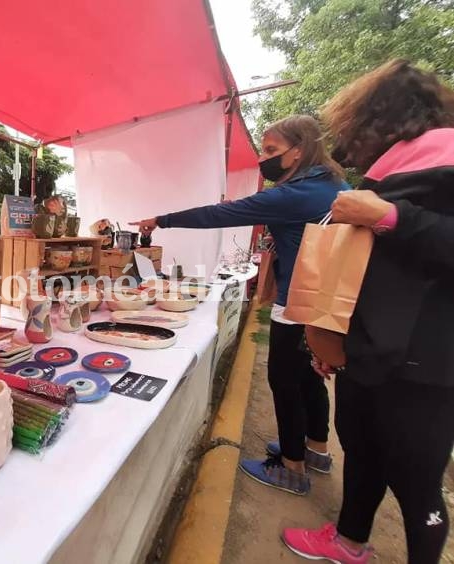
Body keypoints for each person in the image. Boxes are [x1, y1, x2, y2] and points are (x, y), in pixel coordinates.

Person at [283, 60, 454, 564]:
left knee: (417, 482)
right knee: (361, 449)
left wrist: (391, 217)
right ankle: (349, 541)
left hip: (425, 363)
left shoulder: (443, 169)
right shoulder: (391, 176)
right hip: (369, 350)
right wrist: (336, 339)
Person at [131, 115, 348, 495]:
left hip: (297, 303)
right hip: (322, 302)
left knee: (285, 381)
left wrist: (160, 220)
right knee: (309, 377)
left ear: (298, 152)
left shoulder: (293, 195)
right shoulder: (329, 185)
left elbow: (220, 214)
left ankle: (292, 467)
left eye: (271, 151)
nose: (265, 159)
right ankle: (316, 449)